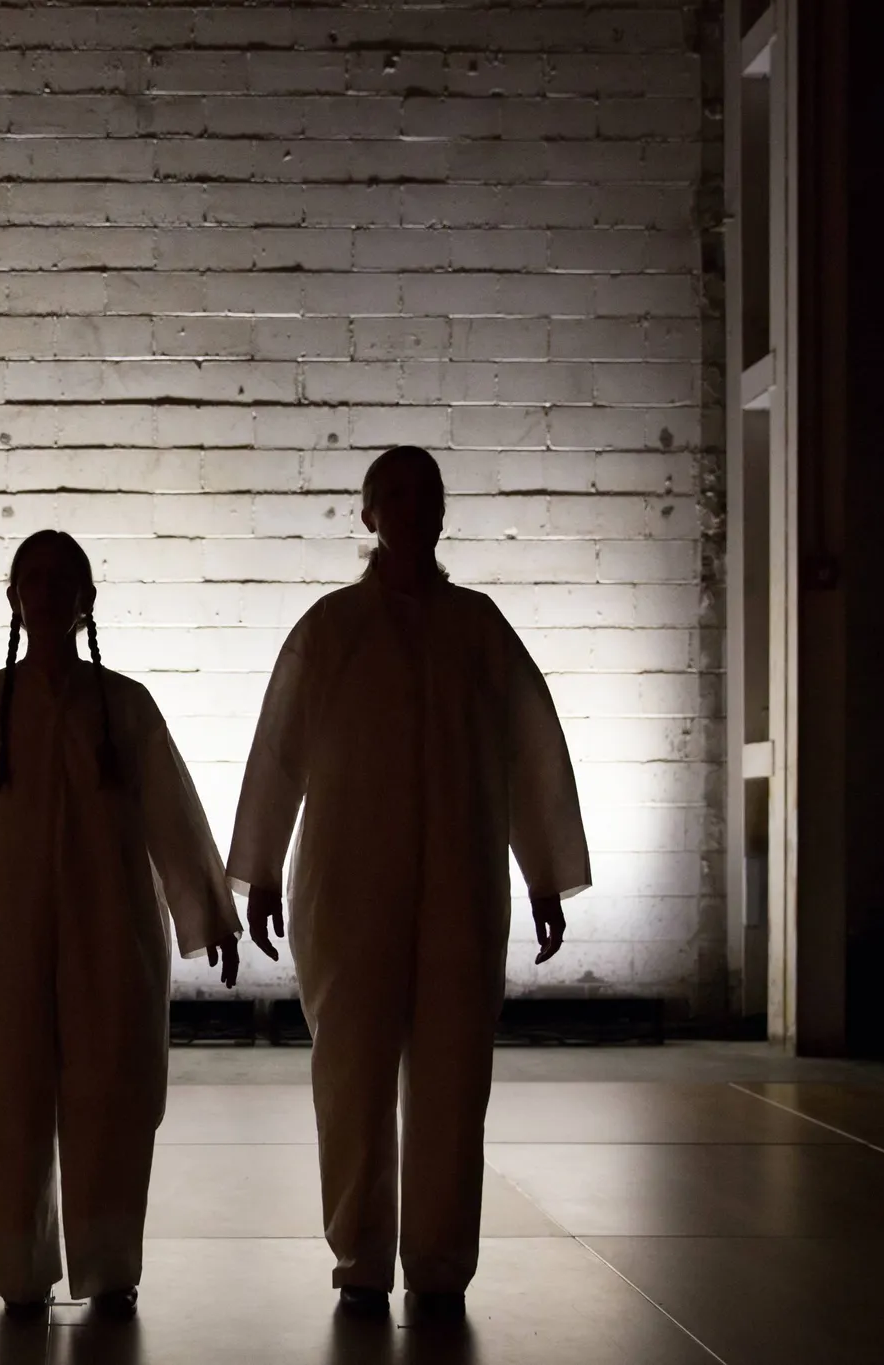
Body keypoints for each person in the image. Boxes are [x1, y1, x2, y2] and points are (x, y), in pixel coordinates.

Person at [227, 445, 590, 1320]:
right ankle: (360, 1258)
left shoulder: (478, 629)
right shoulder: (330, 630)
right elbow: (280, 751)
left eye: (423, 494)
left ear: (439, 512)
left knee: (453, 1077)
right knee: (350, 1070)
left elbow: (531, 754)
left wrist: (542, 873)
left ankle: (437, 1262)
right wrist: (262, 867)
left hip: (461, 887)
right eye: (392, 494)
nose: (408, 509)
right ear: (367, 515)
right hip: (349, 887)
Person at [0, 530, 241, 1321]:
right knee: (4, 1093)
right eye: (33, 578)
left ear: (85, 599)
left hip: (114, 921)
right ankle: (21, 1272)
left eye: (63, 579)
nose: (46, 592)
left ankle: (108, 1267)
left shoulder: (125, 708)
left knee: (115, 1092)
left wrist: (209, 911)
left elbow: (174, 815)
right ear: (14, 596)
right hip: (7, 922)